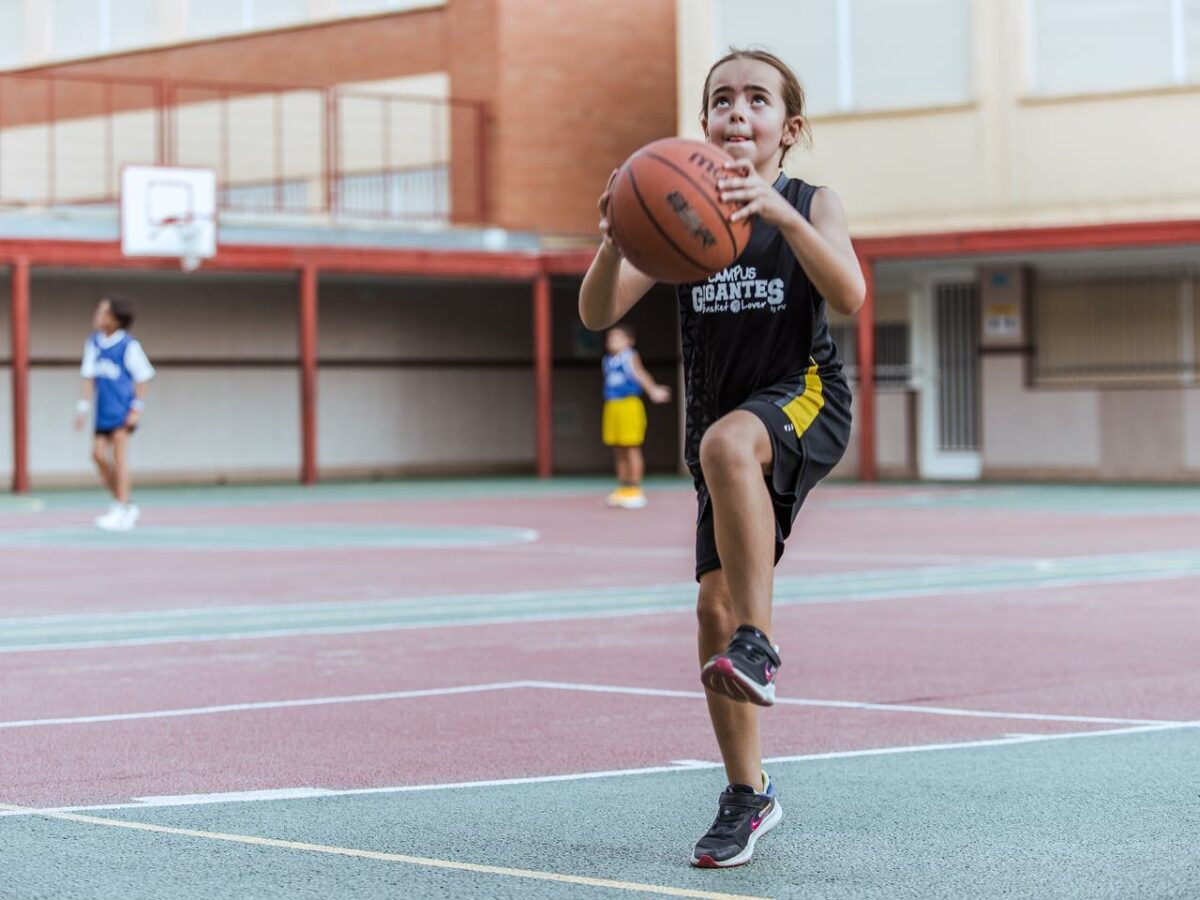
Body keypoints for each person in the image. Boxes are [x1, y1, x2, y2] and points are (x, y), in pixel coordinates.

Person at [579, 47, 865, 867]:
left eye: (756, 100)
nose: (737, 112)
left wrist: (781, 214)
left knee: (728, 442)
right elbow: (599, 309)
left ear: (789, 128)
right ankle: (749, 795)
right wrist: (612, 238)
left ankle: (761, 644)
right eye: (720, 100)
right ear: (703, 121)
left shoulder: (811, 202)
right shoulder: (679, 205)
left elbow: (847, 293)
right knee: (710, 609)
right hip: (720, 425)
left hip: (801, 395)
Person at [73, 295, 156, 531]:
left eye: (103, 312)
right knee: (97, 455)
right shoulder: (94, 343)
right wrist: (83, 407)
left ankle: (121, 506)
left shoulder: (128, 345)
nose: (98, 316)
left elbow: (143, 378)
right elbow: (89, 377)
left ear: (115, 319)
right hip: (103, 412)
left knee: (120, 460)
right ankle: (124, 503)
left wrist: (136, 409)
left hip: (122, 410)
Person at [602, 322, 671, 509]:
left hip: (628, 404)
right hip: (612, 406)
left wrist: (653, 390)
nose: (613, 341)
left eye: (618, 337)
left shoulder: (630, 357)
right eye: (610, 337)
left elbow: (641, 375)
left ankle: (635, 488)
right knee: (618, 449)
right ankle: (623, 487)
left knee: (631, 447)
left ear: (629, 341)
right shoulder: (607, 360)